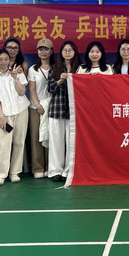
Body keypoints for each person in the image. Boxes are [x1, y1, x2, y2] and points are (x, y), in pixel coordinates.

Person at [0, 49, 30, 186]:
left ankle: (15, 172)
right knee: (4, 143)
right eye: (0, 59)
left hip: (21, 110)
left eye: (6, 59)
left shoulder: (17, 72)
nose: (4, 62)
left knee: (19, 142)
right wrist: (2, 117)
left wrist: (16, 78)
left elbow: (22, 92)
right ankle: (1, 175)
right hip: (5, 114)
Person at [47, 41, 80, 182]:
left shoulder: (80, 69)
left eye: (70, 50)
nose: (67, 52)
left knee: (71, 142)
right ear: (60, 52)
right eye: (65, 50)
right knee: (56, 141)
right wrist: (60, 80)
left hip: (74, 111)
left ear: (75, 52)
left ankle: (68, 170)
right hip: (57, 109)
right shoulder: (54, 68)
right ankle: (55, 171)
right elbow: (50, 88)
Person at [27, 38, 54, 179]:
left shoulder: (56, 67)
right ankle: (38, 167)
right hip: (35, 107)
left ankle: (50, 167)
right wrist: (38, 105)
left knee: (51, 136)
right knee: (36, 137)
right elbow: (31, 89)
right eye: (40, 49)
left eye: (46, 49)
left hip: (52, 107)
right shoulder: (33, 69)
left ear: (51, 51)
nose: (43, 52)